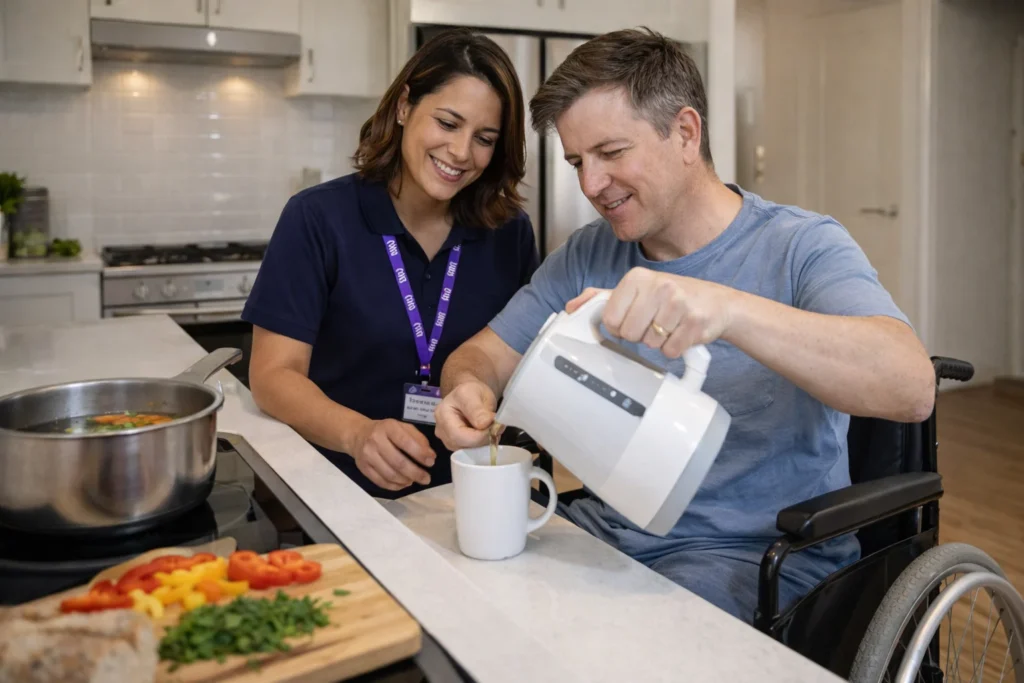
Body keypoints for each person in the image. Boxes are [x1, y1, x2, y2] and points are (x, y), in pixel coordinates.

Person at [434, 28, 936, 623]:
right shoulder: (587, 255)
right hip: (607, 538)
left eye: (612, 153)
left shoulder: (801, 246)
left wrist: (726, 309)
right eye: (577, 162)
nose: (591, 185)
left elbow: (910, 386)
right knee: (451, 599)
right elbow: (481, 357)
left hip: (751, 560)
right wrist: (465, 388)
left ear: (685, 133)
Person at [242, 29, 538, 499]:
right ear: (404, 106)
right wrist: (357, 434)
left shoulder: (510, 232)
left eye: (484, 138)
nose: (461, 152)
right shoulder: (318, 217)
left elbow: (523, 371)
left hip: (468, 491)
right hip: (339, 486)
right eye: (447, 123)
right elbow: (273, 375)